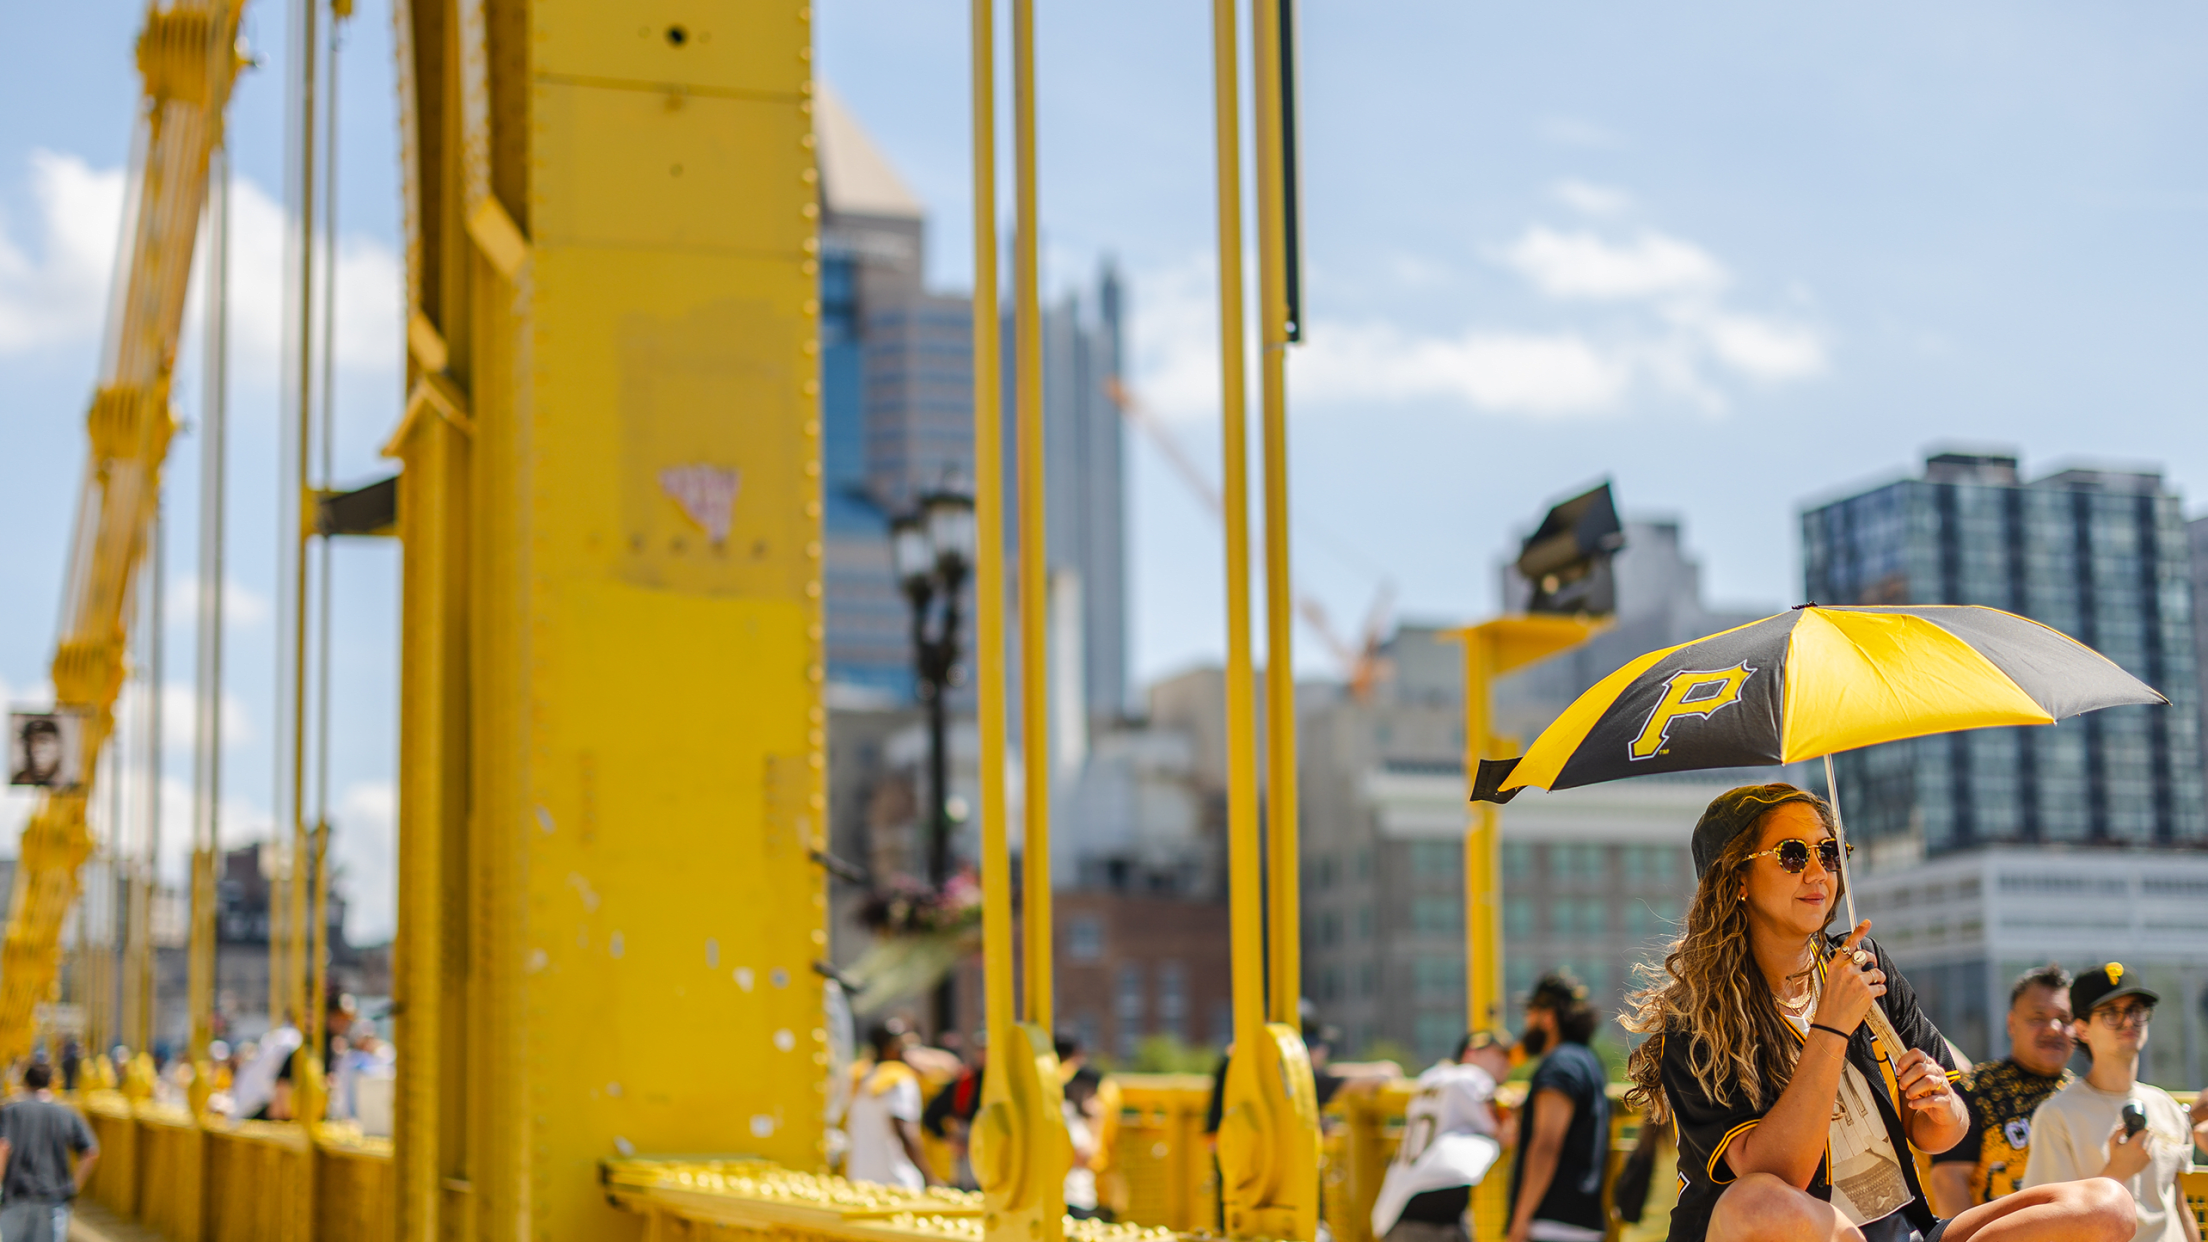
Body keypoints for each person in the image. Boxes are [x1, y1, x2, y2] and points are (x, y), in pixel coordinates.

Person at [1620, 783, 2131, 1242]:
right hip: (1780, 1229)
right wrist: (1831, 1025)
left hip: (1903, 1228)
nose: (1819, 872)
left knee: (2107, 1206)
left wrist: (1937, 1102)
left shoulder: (1863, 964)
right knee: (1756, 1203)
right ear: (1738, 880)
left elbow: (1941, 1134)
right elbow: (1777, 1176)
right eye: (1793, 855)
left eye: (1829, 852)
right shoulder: (1695, 1017)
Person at [2022, 963, 2208, 1242]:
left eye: (2136, 1010)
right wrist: (2117, 1173)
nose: (2128, 1021)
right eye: (2111, 1013)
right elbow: (2048, 1225)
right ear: (2081, 1029)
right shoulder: (2056, 1116)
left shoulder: (2165, 1106)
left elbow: (2179, 1209)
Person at [1928, 965, 2076, 1216]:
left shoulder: (2083, 1097)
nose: (2053, 1028)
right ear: (2011, 1023)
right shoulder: (1975, 1090)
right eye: (2038, 1018)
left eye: (2064, 1019)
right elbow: (1948, 1180)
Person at [1373, 1030, 1512, 1242]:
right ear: (1472, 1053)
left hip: (1400, 1206)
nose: (1506, 1063)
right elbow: (1504, 1134)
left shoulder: (1432, 1076)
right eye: (1498, 1055)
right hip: (1431, 1213)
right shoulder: (1470, 1077)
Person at [1505, 973, 1610, 1242]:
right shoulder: (1587, 1060)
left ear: (1548, 1017)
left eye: (1530, 1012)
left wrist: (1519, 1222)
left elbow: (1546, 1145)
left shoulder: (1560, 1065)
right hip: (1580, 1223)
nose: (1526, 1022)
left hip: (1549, 1225)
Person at [0, 1062, 99, 1242]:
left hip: (16, 1195)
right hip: (54, 1198)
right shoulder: (67, 1113)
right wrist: (73, 1188)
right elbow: (90, 1152)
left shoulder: (10, 1111)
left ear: (25, 1083)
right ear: (52, 1083)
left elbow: (3, 1147)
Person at [845, 1022, 940, 1191]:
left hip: (860, 1179)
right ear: (891, 1047)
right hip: (898, 1180)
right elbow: (904, 1130)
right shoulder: (899, 1080)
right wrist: (928, 1175)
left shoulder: (859, 1079)